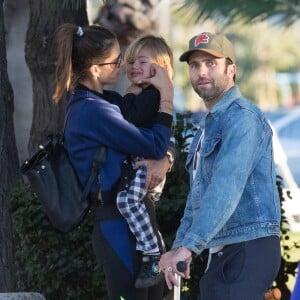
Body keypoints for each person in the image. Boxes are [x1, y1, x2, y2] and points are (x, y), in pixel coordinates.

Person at [52, 24, 174, 300]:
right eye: (117, 61)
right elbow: (154, 142)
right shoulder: (95, 112)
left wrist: (166, 159)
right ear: (95, 69)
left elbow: (162, 138)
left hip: (136, 218)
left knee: (158, 293)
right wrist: (166, 94)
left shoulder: (111, 102)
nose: (123, 66)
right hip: (116, 225)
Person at [159, 32, 281, 300]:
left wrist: (189, 247)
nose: (202, 72)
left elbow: (227, 186)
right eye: (194, 65)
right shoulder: (209, 126)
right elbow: (197, 200)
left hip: (248, 245)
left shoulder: (244, 119)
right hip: (223, 249)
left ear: (232, 70)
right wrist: (181, 247)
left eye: (211, 63)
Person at [116, 34, 175, 289]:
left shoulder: (153, 95)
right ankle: (157, 251)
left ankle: (152, 254)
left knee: (126, 200)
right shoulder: (152, 94)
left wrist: (129, 94)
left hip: (146, 164)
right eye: (130, 62)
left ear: (161, 66)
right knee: (142, 210)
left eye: (141, 60)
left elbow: (129, 119)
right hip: (143, 164)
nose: (133, 67)